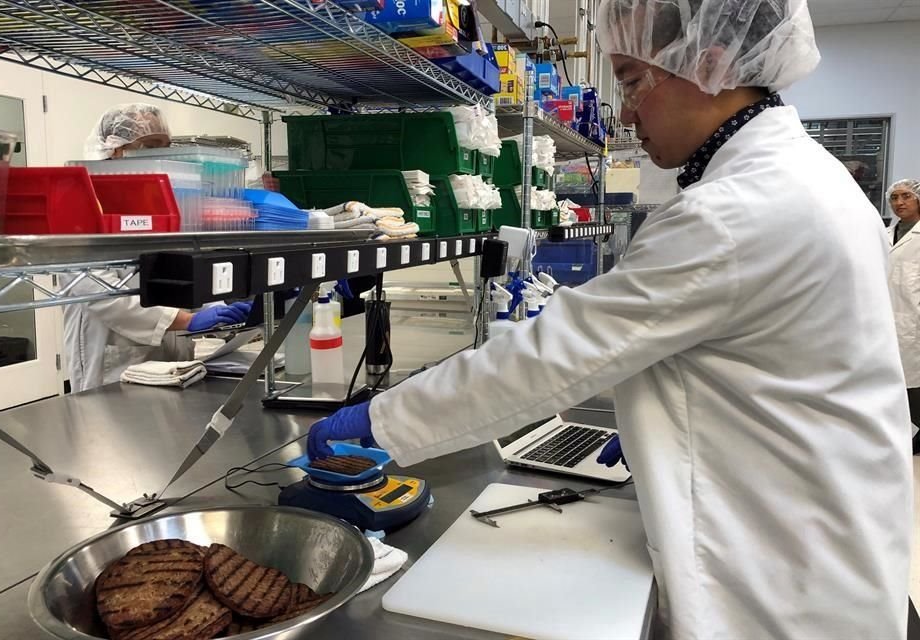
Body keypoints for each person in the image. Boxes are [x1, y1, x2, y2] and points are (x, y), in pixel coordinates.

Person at [307, 1, 912, 638]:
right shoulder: (809, 176)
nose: (624, 112)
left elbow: (550, 358)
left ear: (709, 64)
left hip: (782, 580)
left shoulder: (737, 212)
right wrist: (676, 423)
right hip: (826, 522)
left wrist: (380, 421)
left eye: (630, 81)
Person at [64, 104, 251, 391]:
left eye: (165, 146)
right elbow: (96, 291)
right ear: (116, 149)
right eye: (150, 146)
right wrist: (186, 320)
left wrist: (218, 305)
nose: (161, 155)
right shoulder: (83, 201)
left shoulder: (164, 199)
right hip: (112, 355)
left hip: (174, 355)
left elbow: (177, 269)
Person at [887, 178, 920, 455]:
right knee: (899, 380)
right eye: (895, 197)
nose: (899, 203)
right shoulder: (886, 234)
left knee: (915, 385)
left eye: (906, 196)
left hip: (914, 319)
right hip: (891, 318)